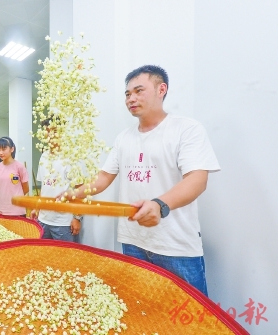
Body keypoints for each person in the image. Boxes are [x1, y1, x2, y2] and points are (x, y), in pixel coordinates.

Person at [65, 65, 220, 296]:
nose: (131, 98)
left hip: (175, 245)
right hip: (133, 241)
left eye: (139, 91)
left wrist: (159, 204)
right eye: (127, 94)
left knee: (189, 317)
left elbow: (197, 179)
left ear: (161, 89)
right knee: (144, 312)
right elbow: (105, 177)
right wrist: (73, 193)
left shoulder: (186, 129)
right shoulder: (124, 138)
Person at [30, 118, 81, 242]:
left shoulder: (70, 157)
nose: (49, 134)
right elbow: (44, 187)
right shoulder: (44, 156)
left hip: (63, 222)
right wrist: (37, 208)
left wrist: (77, 217)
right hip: (43, 219)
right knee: (44, 257)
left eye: (53, 131)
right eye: (46, 131)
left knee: (64, 259)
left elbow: (79, 189)